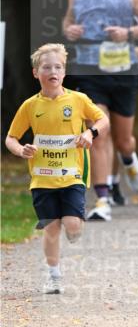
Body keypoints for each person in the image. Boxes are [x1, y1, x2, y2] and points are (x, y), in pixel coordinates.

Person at [62, 0, 138, 222]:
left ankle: (128, 159)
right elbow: (67, 22)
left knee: (123, 139)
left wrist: (128, 34)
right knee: (98, 133)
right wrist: (71, 31)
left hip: (123, 70)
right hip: (90, 70)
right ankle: (102, 198)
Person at [5, 43, 109, 293]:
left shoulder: (77, 99)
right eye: (46, 67)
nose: (53, 71)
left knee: (72, 226)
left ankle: (74, 227)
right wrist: (21, 150)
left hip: (72, 174)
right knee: (51, 227)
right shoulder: (30, 106)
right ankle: (53, 276)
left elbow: (102, 120)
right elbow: (11, 138)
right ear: (35, 73)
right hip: (42, 178)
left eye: (58, 67)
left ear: (64, 72)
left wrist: (90, 133)